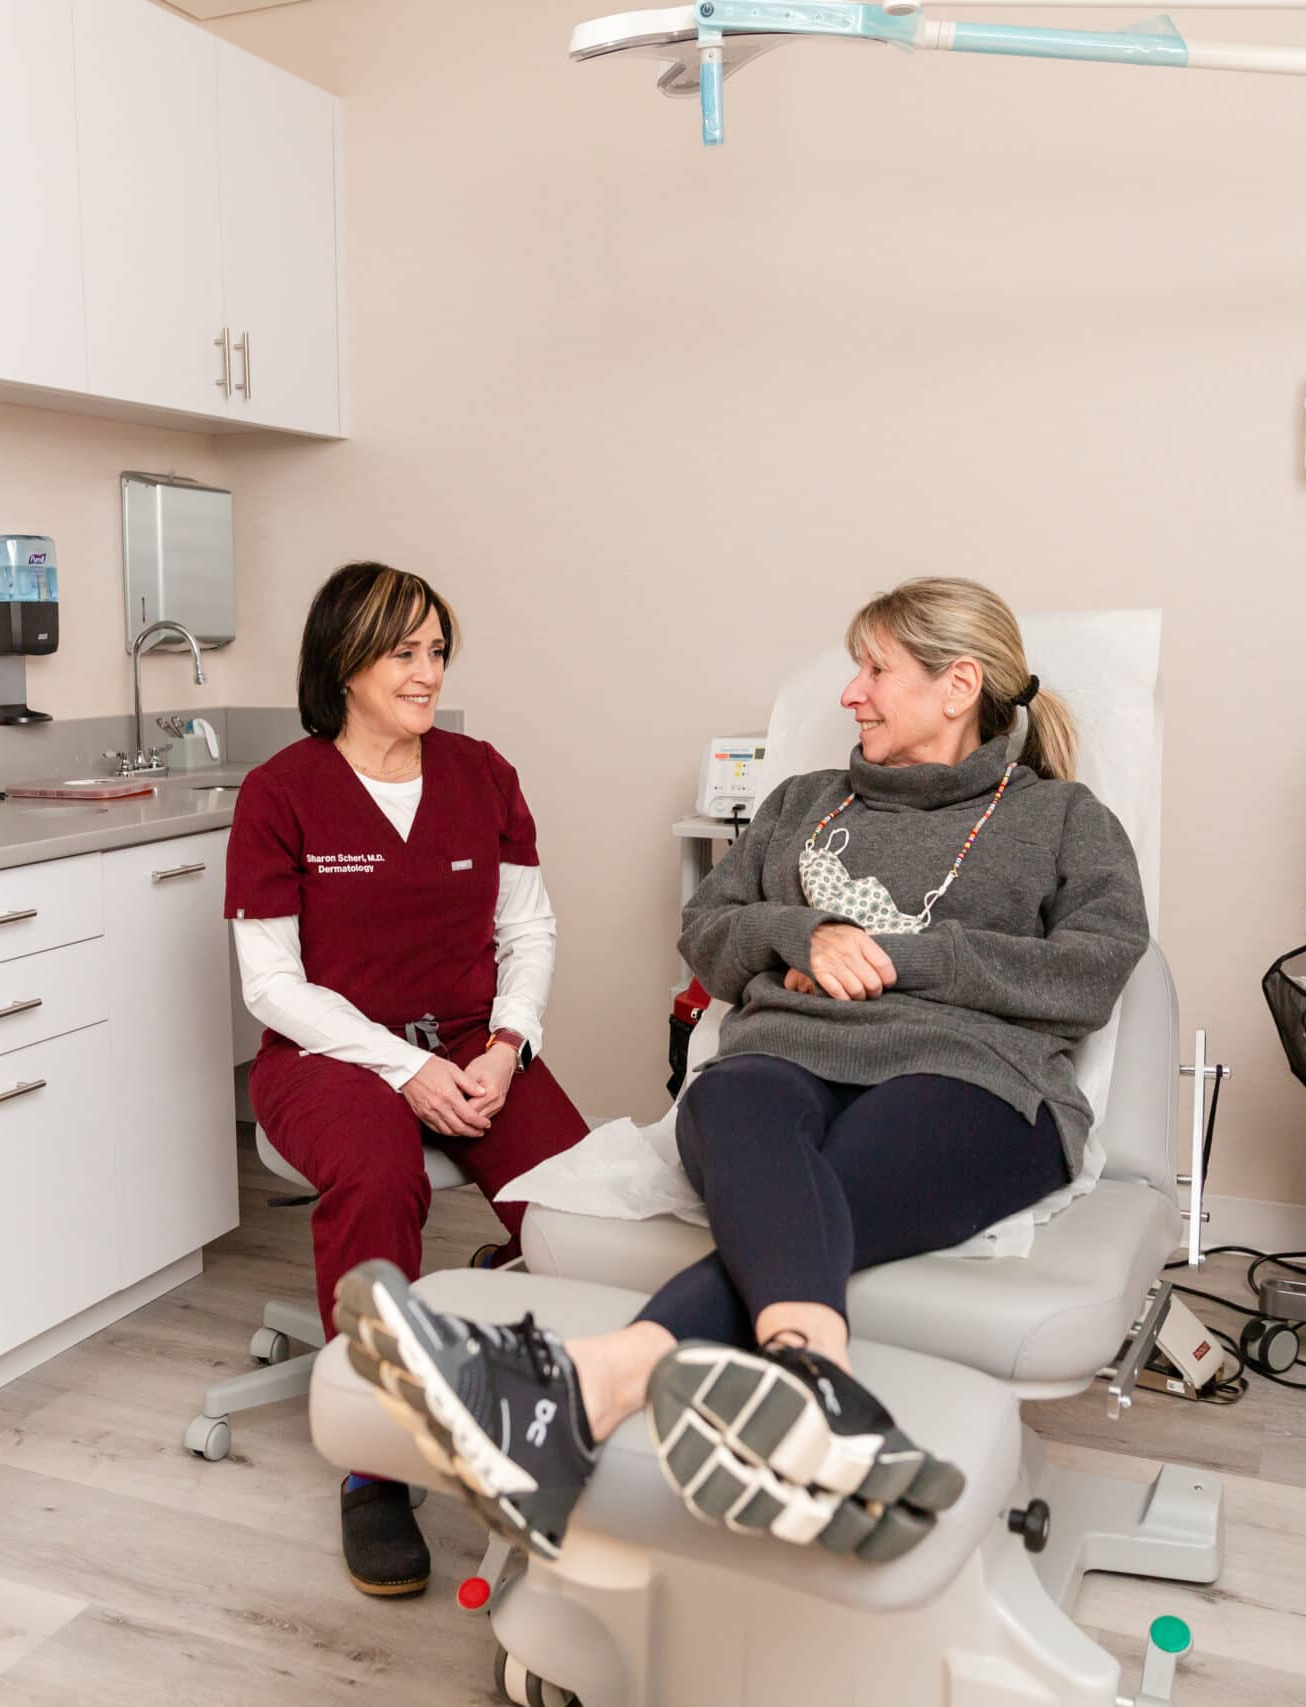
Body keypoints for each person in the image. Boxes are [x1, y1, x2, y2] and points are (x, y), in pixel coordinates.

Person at [334, 576, 1149, 1566]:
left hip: (974, 1077)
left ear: (956, 685)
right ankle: (815, 1395)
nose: (849, 694)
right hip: (785, 1052)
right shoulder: (802, 804)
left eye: (875, 671)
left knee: (839, 1177)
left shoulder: (1062, 819)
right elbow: (707, 931)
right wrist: (803, 930)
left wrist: (904, 956)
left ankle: (584, 1392)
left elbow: (1092, 970)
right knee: (731, 1096)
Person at [223, 561, 590, 1598]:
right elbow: (271, 985)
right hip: (328, 1054)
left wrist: (506, 1047)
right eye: (404, 652)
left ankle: (562, 1403)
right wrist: (408, 1067)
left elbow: (528, 929)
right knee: (380, 1180)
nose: (427, 672)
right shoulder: (282, 793)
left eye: (437, 651)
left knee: (576, 1197)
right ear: (344, 662)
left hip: (475, 1041)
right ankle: (372, 1460)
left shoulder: (481, 773)